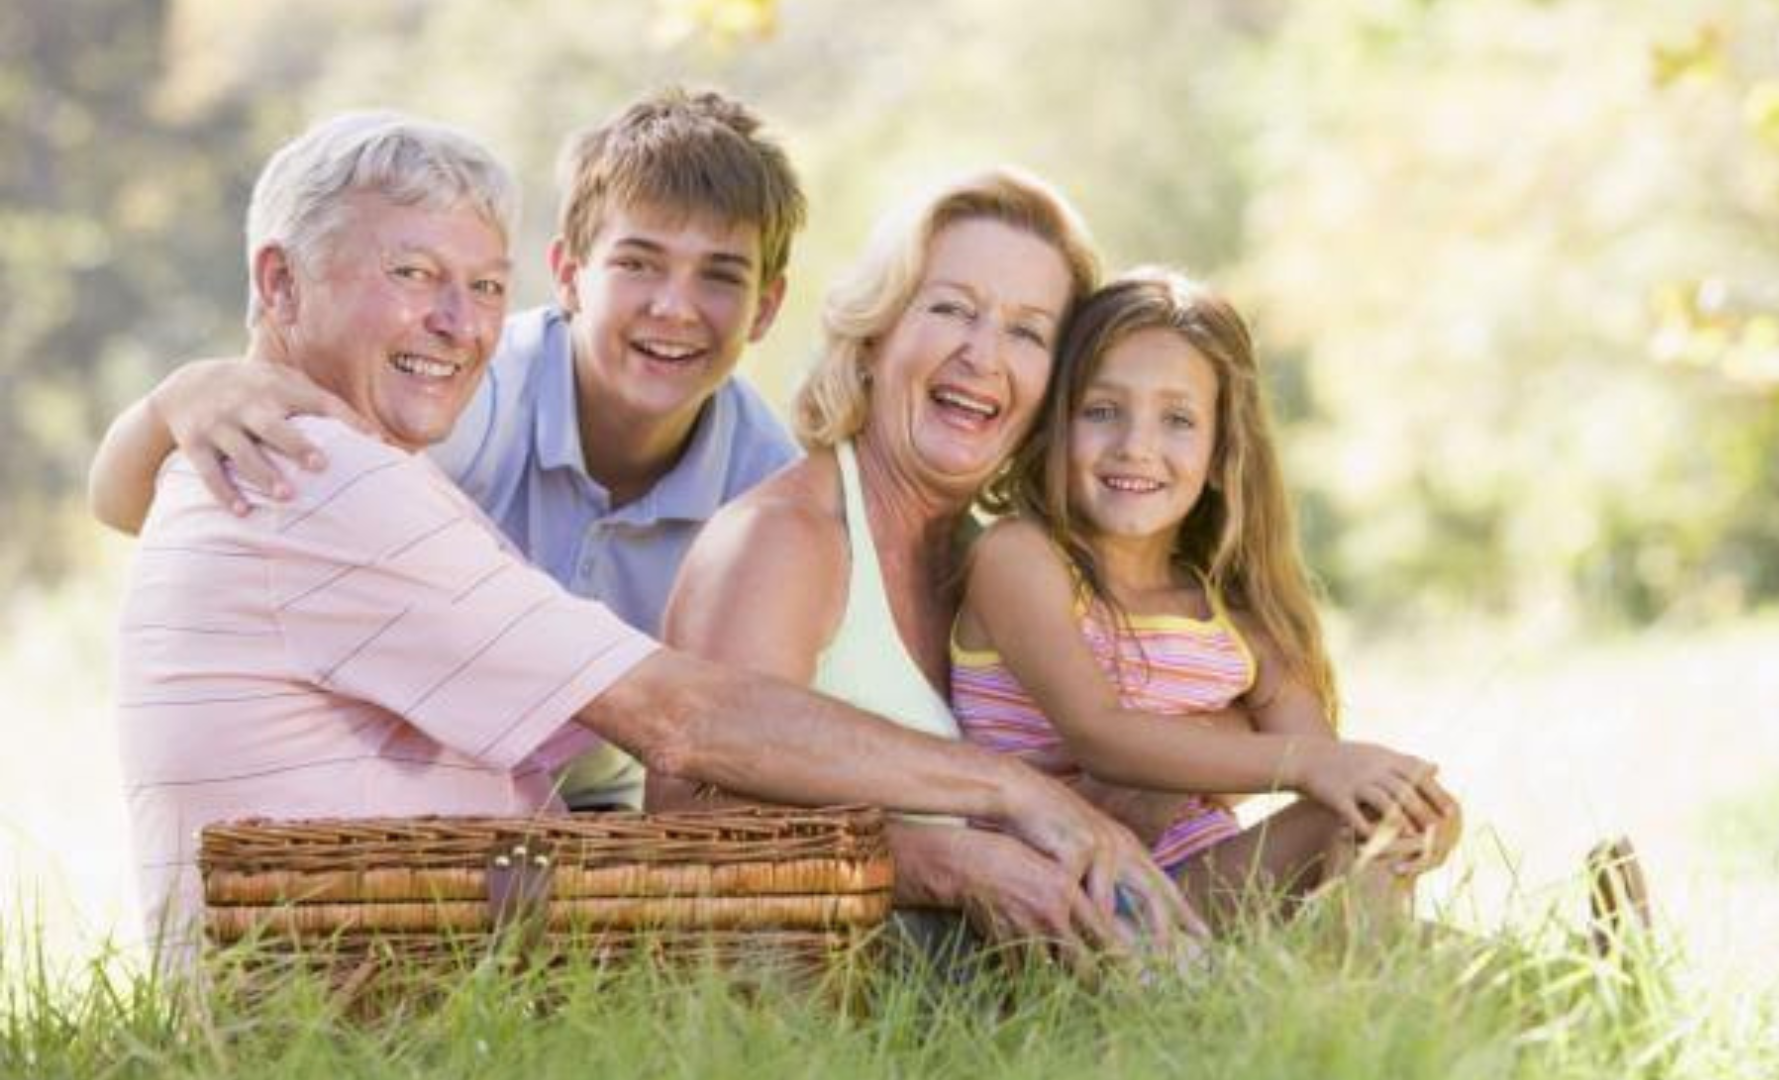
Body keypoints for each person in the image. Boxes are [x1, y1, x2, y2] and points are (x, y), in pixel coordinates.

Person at [105, 110, 1192, 958]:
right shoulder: (331, 463)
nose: (456, 322)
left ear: (767, 307)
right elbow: (684, 723)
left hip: (455, 902)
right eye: (412, 276)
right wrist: (1006, 807)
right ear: (279, 283)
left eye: (481, 286)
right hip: (360, 966)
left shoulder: (750, 462)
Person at [93, 88, 807, 811]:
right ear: (568, 276)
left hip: (592, 800)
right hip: (428, 793)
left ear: (767, 307)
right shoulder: (460, 393)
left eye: (719, 276)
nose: (674, 307)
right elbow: (135, 503)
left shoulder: (765, 488)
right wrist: (176, 399)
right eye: (639, 264)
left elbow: (728, 732)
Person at [652, 170, 1186, 953]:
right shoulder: (784, 538)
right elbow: (688, 825)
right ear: (876, 335)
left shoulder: (1000, 565)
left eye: (1028, 332)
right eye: (951, 309)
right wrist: (945, 861)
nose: (984, 355)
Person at [951, 268, 1463, 927]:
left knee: (1364, 814)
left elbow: (1335, 778)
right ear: (1055, 425)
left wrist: (1417, 815)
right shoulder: (1020, 557)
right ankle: (1383, 977)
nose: (1136, 446)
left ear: (1224, 449)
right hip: (1067, 902)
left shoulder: (1238, 619)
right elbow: (1099, 733)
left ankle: (1405, 979)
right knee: (1347, 808)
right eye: (1102, 411)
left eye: (1178, 420)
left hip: (1201, 898)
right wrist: (1306, 764)